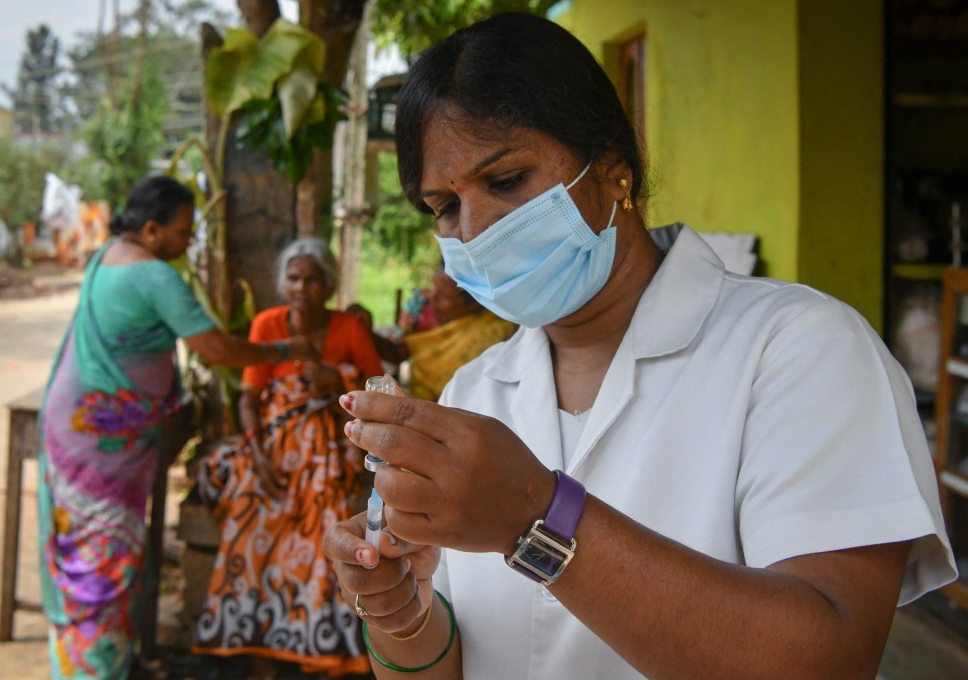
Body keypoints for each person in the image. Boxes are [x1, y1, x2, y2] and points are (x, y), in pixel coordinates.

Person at [322, 12, 957, 680]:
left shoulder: (801, 351)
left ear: (612, 170)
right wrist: (403, 616)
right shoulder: (476, 393)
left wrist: (536, 518)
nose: (475, 230)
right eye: (444, 207)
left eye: (505, 180)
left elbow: (828, 660)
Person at [38, 175, 313, 680]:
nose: (189, 241)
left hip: (79, 427)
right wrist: (284, 351)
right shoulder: (154, 277)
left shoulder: (108, 257)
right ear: (150, 229)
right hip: (102, 442)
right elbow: (219, 351)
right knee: (103, 556)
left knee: (95, 545)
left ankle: (116, 660)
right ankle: (91, 669)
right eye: (184, 231)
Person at [192, 237, 383, 678]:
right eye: (294, 279)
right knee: (251, 520)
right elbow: (249, 400)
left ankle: (311, 641)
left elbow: (379, 388)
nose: (302, 288)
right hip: (272, 452)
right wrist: (257, 458)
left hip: (330, 453)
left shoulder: (348, 331)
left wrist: (338, 378)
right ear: (284, 284)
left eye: (312, 279)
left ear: (328, 285)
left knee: (325, 524)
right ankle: (258, 643)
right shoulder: (267, 324)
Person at [402, 263, 515, 401]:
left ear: (473, 303)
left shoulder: (497, 333)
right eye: (433, 287)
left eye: (444, 296)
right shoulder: (420, 306)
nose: (432, 297)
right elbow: (398, 348)